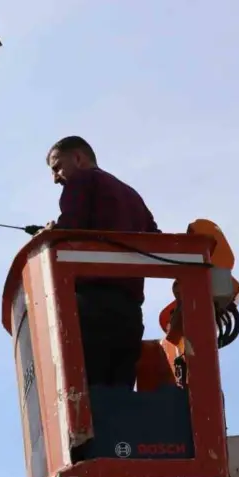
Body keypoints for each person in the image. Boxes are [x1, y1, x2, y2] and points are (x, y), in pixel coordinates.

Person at [44, 135, 160, 389]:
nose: (55, 178)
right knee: (119, 396)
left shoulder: (81, 181)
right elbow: (156, 241)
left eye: (57, 167)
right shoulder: (132, 196)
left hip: (90, 307)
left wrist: (52, 234)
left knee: (86, 395)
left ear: (78, 158)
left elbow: (71, 226)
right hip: (130, 314)